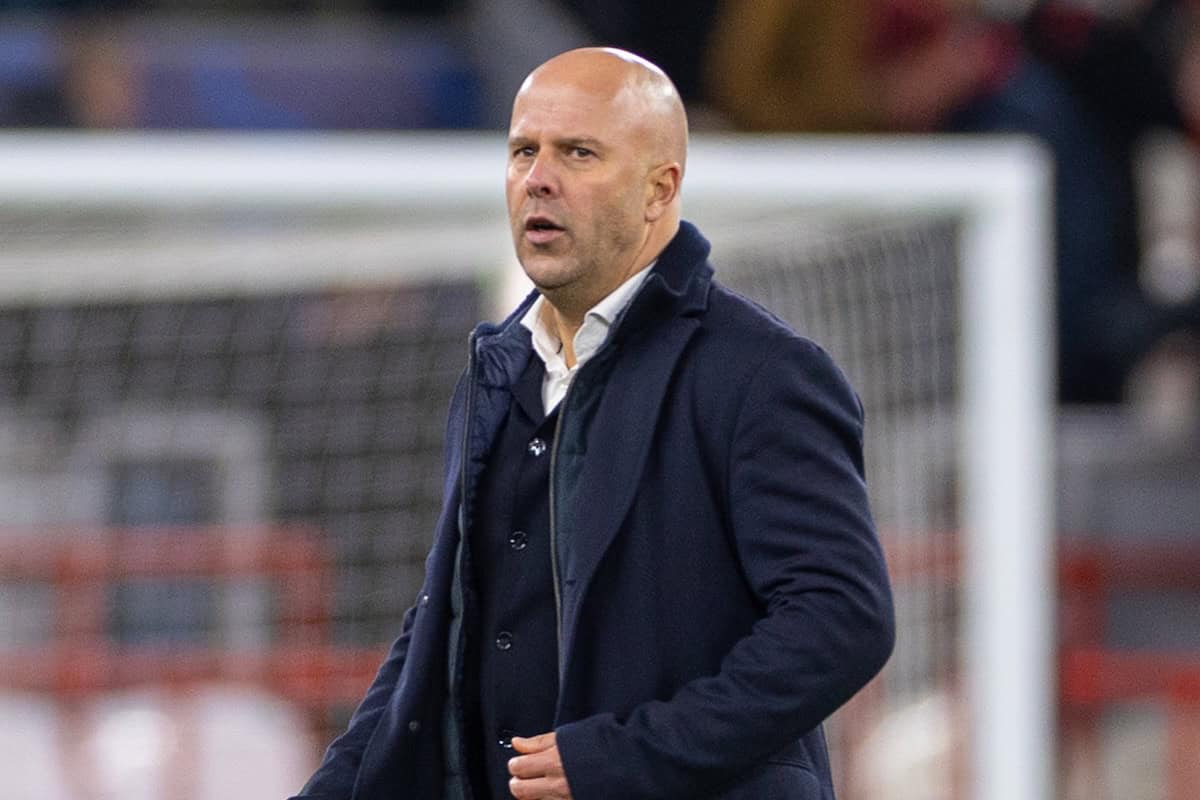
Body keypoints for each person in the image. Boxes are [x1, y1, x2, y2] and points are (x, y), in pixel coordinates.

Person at [291, 47, 894, 800]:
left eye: (578, 152)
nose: (538, 177)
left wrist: (631, 755)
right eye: (523, 151)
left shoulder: (761, 373)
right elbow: (443, 627)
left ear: (659, 188)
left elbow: (841, 619)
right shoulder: (496, 374)